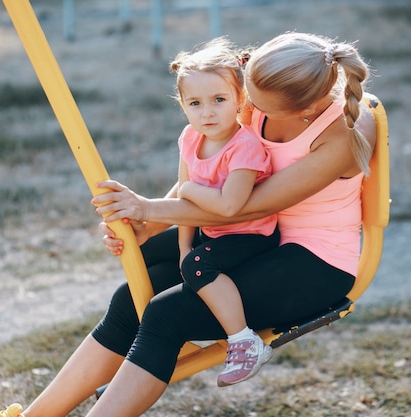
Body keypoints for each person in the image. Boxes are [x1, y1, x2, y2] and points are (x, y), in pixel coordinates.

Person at [0, 31, 376, 417]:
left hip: (311, 264)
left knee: (166, 314)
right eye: (247, 96)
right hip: (250, 240)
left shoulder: (343, 133)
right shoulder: (261, 94)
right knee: (130, 301)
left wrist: (149, 210)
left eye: (258, 104)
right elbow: (209, 177)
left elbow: (240, 208)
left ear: (303, 107)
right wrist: (148, 226)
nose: (248, 108)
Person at [168, 38, 278, 386]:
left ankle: (243, 339)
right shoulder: (190, 137)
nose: (208, 113)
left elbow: (230, 206)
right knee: (177, 256)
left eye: (219, 100)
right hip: (212, 229)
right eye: (195, 103)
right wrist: (184, 247)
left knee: (199, 265)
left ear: (240, 99)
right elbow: (187, 208)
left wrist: (188, 190)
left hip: (250, 234)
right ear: (183, 106)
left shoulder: (244, 147)